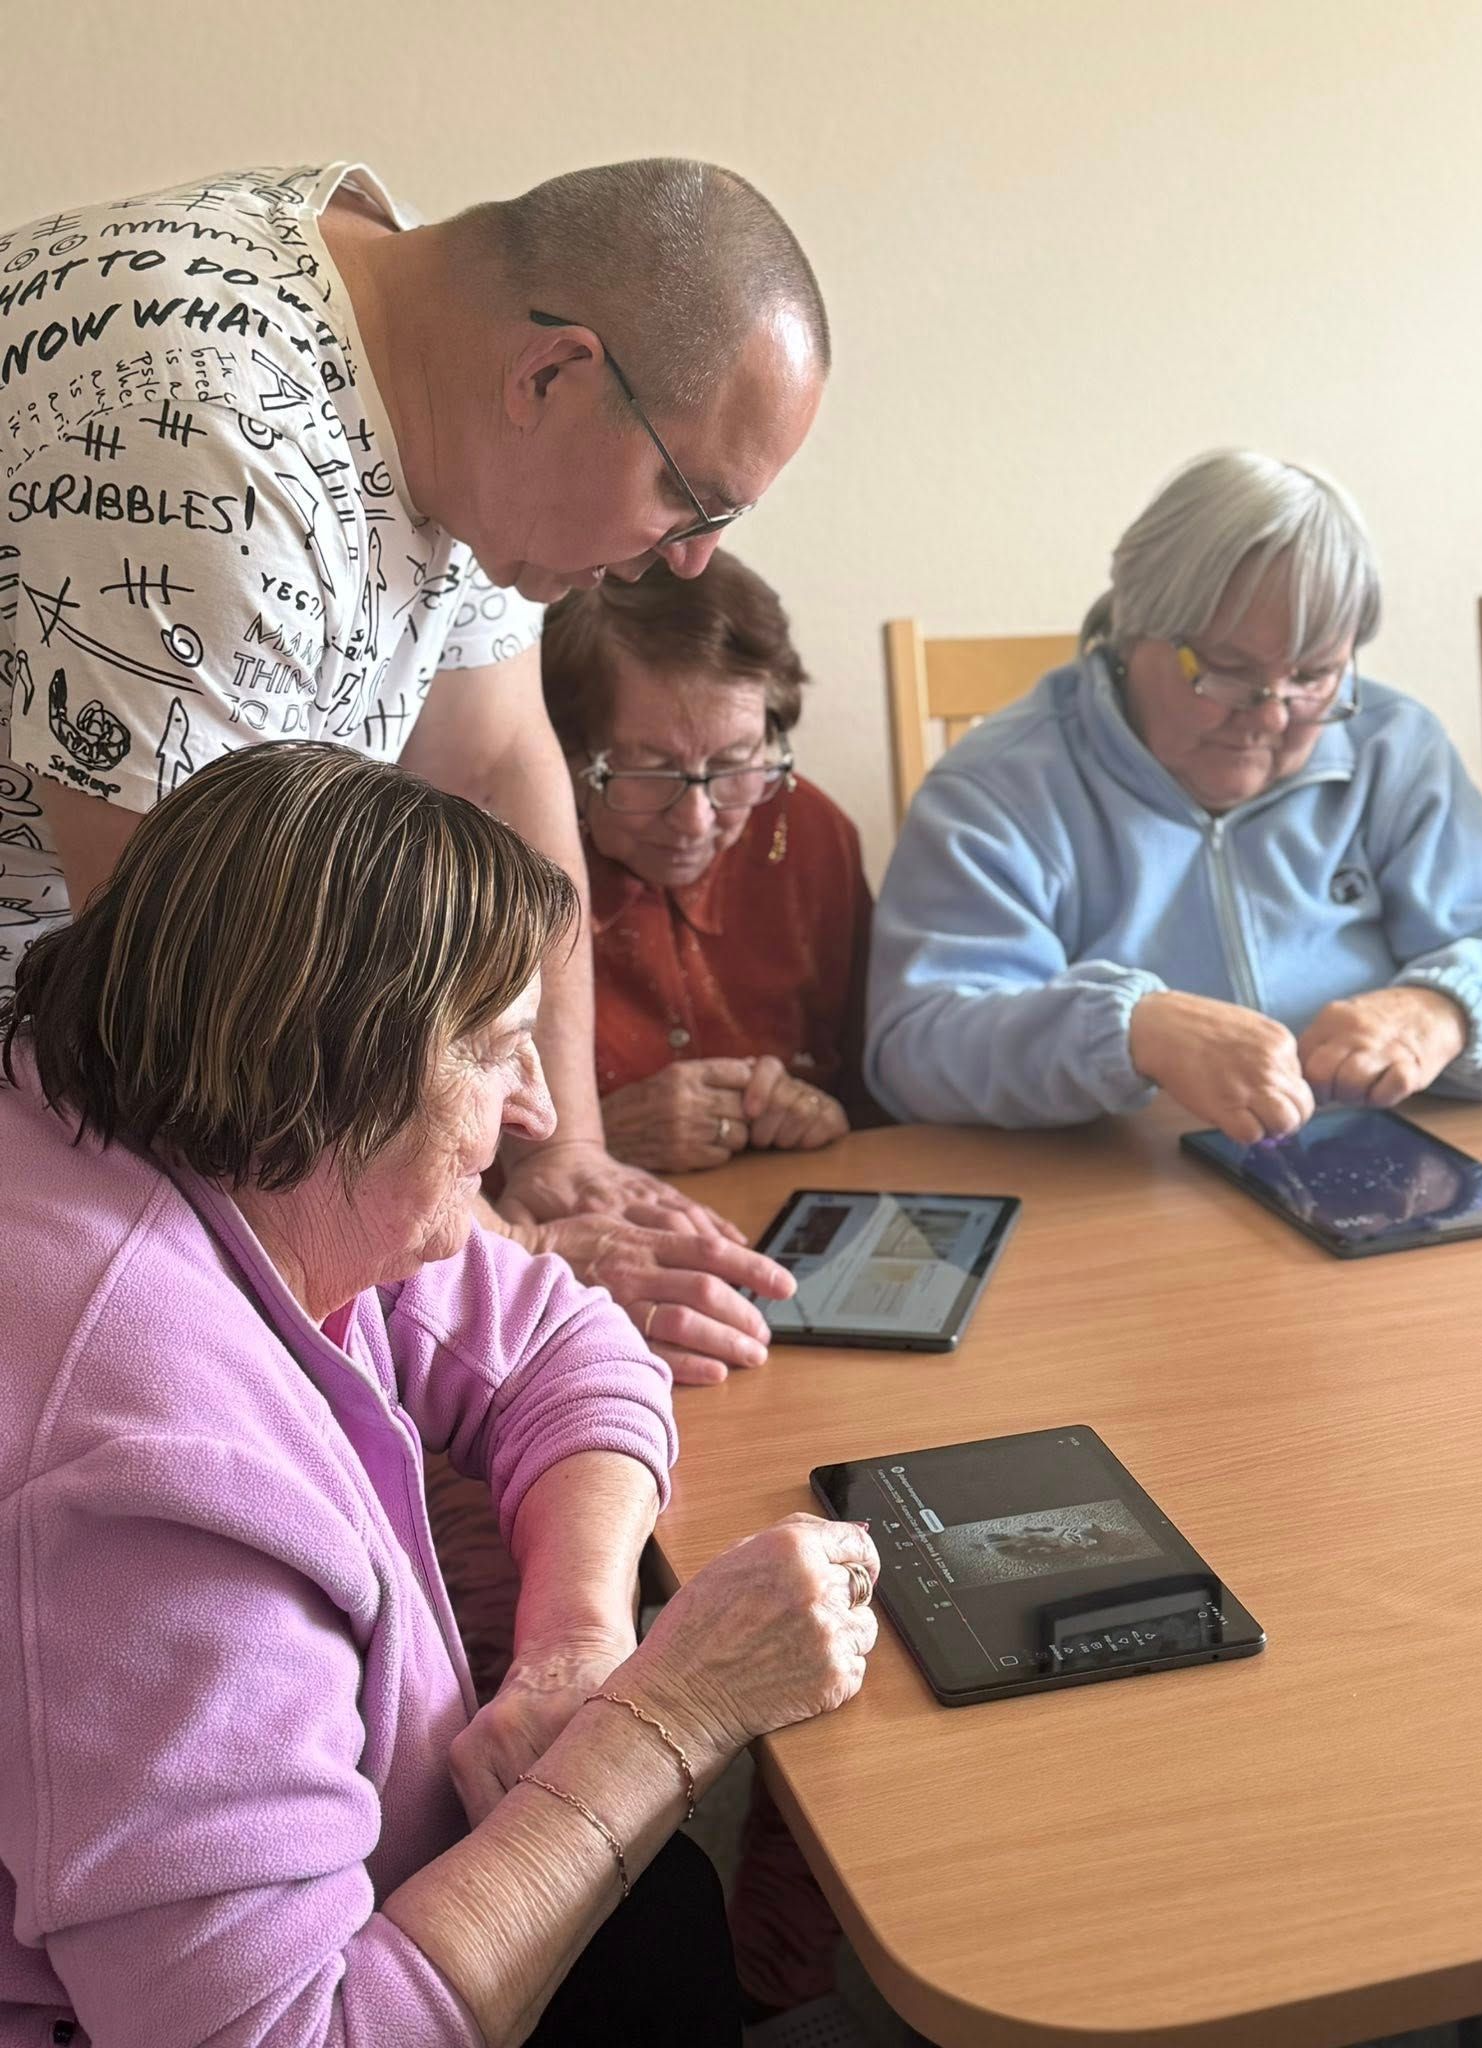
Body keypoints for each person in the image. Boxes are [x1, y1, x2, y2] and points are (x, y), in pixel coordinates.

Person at [0, 740, 881, 2046]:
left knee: (652, 1921)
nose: (538, 1112)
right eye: (501, 1051)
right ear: (334, 1070)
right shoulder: (148, 1477)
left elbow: (564, 1339)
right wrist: (671, 1715)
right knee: (653, 1924)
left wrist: (577, 1637)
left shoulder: (204, 1137)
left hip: (364, 1884)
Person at [0, 154, 828, 1382]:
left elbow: (495, 762)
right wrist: (511, 1262)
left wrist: (565, 1153)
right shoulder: (203, 450)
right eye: (687, 498)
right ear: (551, 375)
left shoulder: (446, 361)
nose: (691, 562)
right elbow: (200, 1015)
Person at [868, 449, 1482, 1141]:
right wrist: (1132, 1030)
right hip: (1123, 1183)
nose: (1270, 714)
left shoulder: (1392, 748)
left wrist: (1446, 1009)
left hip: (1380, 1162)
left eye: (1315, 675)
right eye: (1227, 670)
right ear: (1133, 629)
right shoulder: (997, 789)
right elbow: (916, 1045)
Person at [540, 550, 882, 1181]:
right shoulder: (502, 875)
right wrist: (587, 1146)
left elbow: (880, 1096)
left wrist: (822, 1119)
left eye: (732, 765)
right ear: (566, 751)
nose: (696, 821)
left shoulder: (808, 835)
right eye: (651, 770)